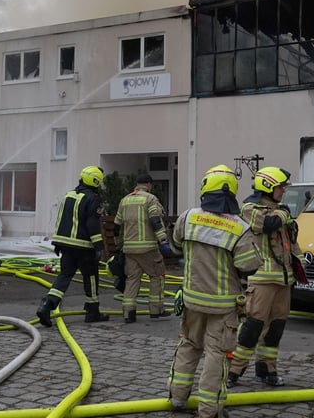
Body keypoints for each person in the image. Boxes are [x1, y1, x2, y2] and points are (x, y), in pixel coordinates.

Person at [168, 165, 262, 418]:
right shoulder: (239, 227)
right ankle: (210, 409)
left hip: (191, 300)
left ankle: (177, 397)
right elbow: (248, 266)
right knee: (217, 354)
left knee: (188, 345)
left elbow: (175, 247)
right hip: (222, 305)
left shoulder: (187, 217)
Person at [226, 166, 303, 388]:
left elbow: (290, 241)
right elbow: (268, 225)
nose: (283, 191)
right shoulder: (251, 208)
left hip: (284, 280)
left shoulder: (281, 211)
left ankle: (268, 369)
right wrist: (283, 213)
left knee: (275, 330)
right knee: (252, 328)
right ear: (267, 186)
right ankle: (233, 372)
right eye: (280, 187)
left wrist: (300, 259)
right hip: (262, 280)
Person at [36, 165, 110, 326]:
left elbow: (61, 219)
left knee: (65, 276)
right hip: (84, 247)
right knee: (90, 277)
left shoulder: (68, 195)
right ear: (96, 181)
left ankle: (47, 305)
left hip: (65, 246)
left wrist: (57, 243)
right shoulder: (93, 199)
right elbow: (92, 224)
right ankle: (92, 311)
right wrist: (98, 246)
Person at [114, 173, 171, 323]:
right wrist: (163, 240)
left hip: (129, 249)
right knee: (157, 275)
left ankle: (128, 313)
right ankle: (156, 310)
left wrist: (118, 244)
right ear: (149, 185)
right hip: (148, 248)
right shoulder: (150, 199)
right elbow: (155, 220)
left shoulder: (124, 200)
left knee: (132, 279)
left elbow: (117, 225)